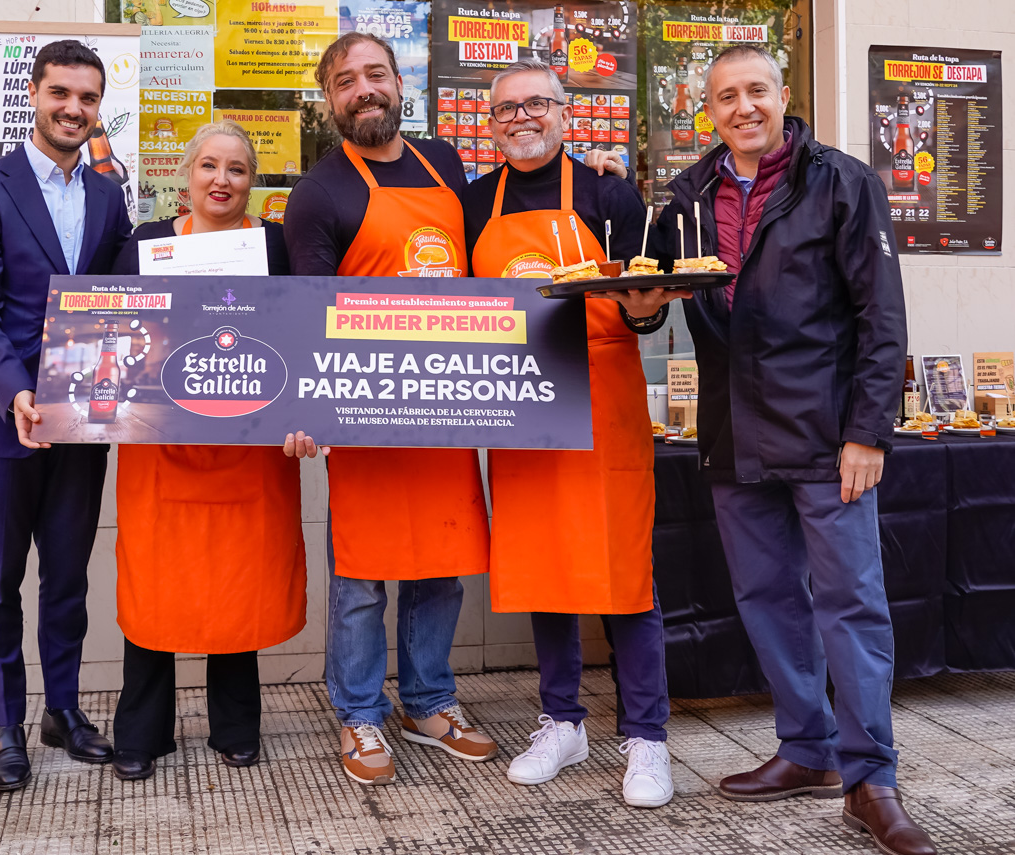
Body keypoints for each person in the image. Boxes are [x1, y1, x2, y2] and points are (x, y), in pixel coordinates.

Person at [657, 45, 935, 855]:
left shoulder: (843, 182)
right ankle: (806, 750)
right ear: (706, 111)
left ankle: (871, 777)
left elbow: (882, 319)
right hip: (734, 433)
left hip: (826, 438)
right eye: (724, 97)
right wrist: (642, 309)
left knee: (850, 605)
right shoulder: (687, 196)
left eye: (756, 91)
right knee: (769, 599)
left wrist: (866, 432)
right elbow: (660, 298)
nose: (742, 107)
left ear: (784, 95)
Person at [463, 58, 687, 808]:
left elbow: (645, 306)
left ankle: (646, 736)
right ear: (490, 124)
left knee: (624, 573)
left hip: (602, 397)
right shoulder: (473, 202)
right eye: (505, 110)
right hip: (522, 402)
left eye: (536, 105)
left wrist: (649, 309)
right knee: (542, 567)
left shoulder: (607, 190)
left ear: (565, 114)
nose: (521, 118)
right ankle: (561, 720)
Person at [284, 32, 496, 786]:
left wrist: (592, 177)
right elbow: (307, 313)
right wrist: (311, 407)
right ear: (331, 100)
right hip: (364, 417)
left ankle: (430, 701)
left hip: (444, 406)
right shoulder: (318, 193)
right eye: (346, 81)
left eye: (375, 74)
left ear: (399, 82)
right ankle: (361, 711)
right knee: (362, 577)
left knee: (441, 567)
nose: (363, 89)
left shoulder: (445, 161)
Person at [108, 120, 323, 781]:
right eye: (209, 165)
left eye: (235, 168)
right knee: (155, 592)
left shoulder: (274, 246)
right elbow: (112, 327)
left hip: (248, 451)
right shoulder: (145, 242)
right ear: (186, 174)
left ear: (251, 180)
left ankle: (236, 727)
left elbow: (298, 335)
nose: (221, 180)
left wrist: (303, 413)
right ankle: (142, 734)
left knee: (239, 588)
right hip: (159, 450)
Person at [0, 40, 131, 791]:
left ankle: (63, 710)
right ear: (33, 92)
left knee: (67, 580)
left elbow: (126, 300)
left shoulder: (109, 196)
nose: (74, 109)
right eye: (61, 93)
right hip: (2, 419)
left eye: (88, 98)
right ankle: (4, 726)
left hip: (82, 424)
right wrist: (17, 391)